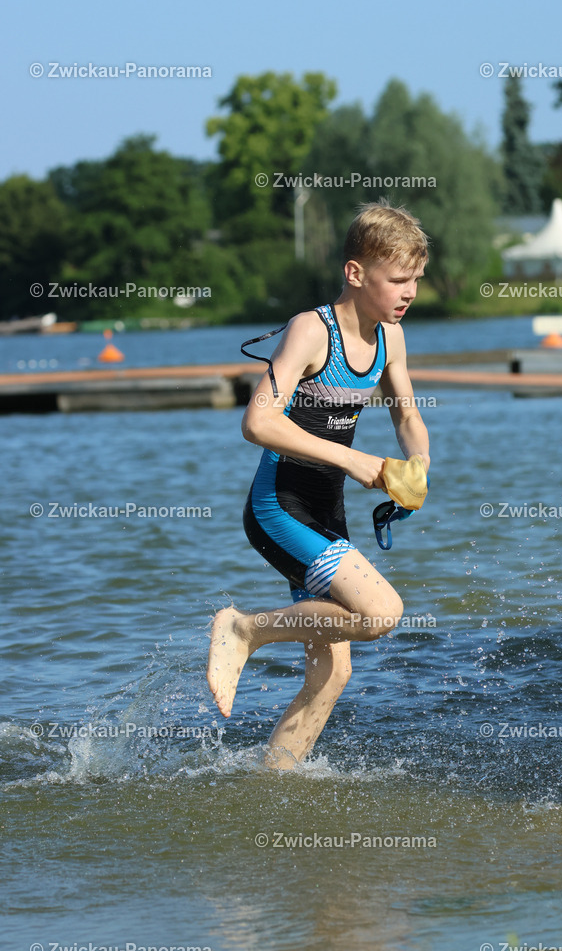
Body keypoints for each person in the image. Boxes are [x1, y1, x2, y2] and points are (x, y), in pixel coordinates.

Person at [207, 201, 431, 769]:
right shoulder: (313, 331)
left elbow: (405, 416)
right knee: (380, 612)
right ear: (356, 274)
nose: (409, 293)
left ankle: (274, 781)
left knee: (332, 673)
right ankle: (244, 630)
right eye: (397, 280)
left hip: (326, 516)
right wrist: (355, 461)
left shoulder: (390, 339)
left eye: (415, 281)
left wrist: (418, 463)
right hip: (278, 510)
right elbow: (258, 422)